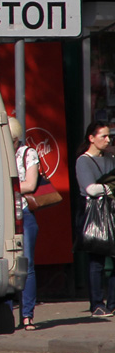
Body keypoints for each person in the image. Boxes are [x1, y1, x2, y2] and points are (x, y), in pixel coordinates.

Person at [76, 121, 115, 317]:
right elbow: (90, 189)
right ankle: (97, 304)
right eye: (103, 136)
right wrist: (110, 188)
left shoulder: (110, 158)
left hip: (112, 212)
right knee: (97, 260)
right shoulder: (83, 161)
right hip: (96, 215)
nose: (108, 140)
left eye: (109, 136)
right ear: (91, 138)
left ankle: (113, 303)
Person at [11, 118, 41, 329]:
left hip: (23, 213)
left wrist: (7, 186)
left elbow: (30, 184)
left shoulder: (27, 153)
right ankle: (5, 313)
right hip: (5, 215)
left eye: (11, 140)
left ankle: (27, 315)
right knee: (6, 266)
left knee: (27, 265)